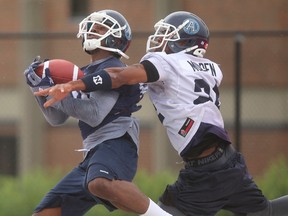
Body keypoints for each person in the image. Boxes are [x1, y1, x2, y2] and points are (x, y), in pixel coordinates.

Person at [35, 11, 288, 216]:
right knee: (266, 212)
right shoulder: (212, 68)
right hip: (230, 163)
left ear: (185, 41)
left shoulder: (167, 63)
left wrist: (74, 84)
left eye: (166, 35)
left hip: (204, 172)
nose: (159, 40)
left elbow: (121, 76)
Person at [25, 10, 172, 216]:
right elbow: (56, 118)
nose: (92, 31)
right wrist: (39, 88)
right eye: (92, 28)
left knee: (100, 184)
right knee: (46, 213)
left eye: (100, 28)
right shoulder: (86, 72)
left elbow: (95, 114)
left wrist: (61, 94)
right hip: (93, 153)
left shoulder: (112, 67)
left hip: (116, 143)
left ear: (117, 37)